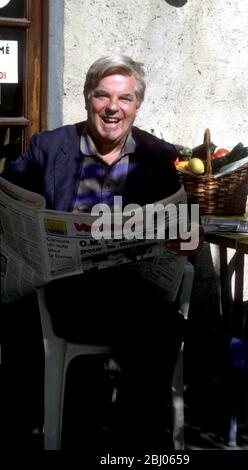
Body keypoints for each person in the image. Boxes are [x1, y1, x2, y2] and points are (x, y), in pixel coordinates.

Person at [2, 53, 202, 451]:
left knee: (152, 320)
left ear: (137, 105)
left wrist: (184, 235)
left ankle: (130, 438)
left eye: (125, 98)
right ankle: (140, 440)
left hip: (134, 292)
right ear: (87, 98)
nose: (113, 108)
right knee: (160, 327)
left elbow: (183, 232)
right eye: (103, 96)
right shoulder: (49, 147)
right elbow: (7, 197)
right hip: (67, 292)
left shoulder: (160, 156)